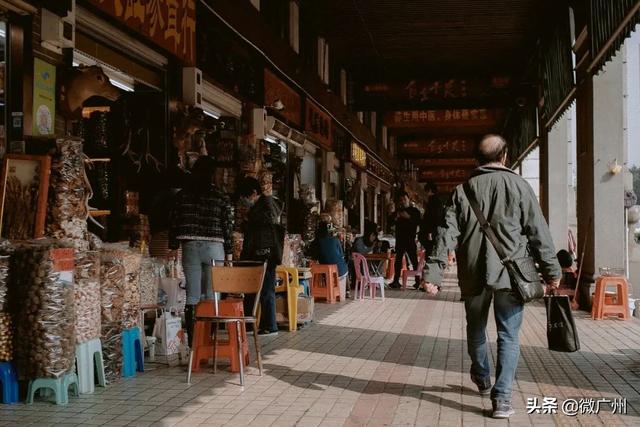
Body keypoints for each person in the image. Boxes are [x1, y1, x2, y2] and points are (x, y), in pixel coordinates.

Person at [422, 134, 561, 419]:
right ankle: (502, 400)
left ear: (477, 159)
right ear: (505, 156)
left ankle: (483, 377)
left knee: (475, 331)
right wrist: (552, 272)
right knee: (508, 337)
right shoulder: (520, 186)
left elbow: (445, 234)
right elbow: (539, 233)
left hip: (473, 275)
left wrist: (433, 274)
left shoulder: (462, 191)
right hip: (512, 277)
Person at [168, 157, 234, 346]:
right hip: (215, 248)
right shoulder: (220, 196)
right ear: (212, 174)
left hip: (190, 246)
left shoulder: (182, 195)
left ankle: (194, 343)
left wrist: (173, 246)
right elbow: (227, 225)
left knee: (193, 296)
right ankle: (209, 338)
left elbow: (174, 221)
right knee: (212, 295)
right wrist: (229, 253)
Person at [236, 176, 284, 336]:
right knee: (251, 290)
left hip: (265, 255)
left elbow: (267, 225)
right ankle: (250, 324)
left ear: (254, 192)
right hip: (255, 254)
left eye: (245, 196)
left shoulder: (267, 205)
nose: (244, 201)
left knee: (266, 290)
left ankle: (270, 326)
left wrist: (249, 220)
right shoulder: (259, 207)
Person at [390, 191, 421, 288]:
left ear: (408, 199)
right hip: (400, 239)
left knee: (414, 261)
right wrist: (396, 217)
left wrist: (408, 217)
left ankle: (418, 281)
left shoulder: (415, 211)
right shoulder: (398, 211)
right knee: (398, 261)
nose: (403, 201)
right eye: (401, 200)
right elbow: (390, 222)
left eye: (405, 199)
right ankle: (396, 281)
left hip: (410, 239)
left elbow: (419, 222)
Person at [308, 221, 349, 297]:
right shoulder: (335, 240)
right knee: (344, 266)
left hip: (327, 272)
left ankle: (327, 289)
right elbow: (342, 256)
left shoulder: (316, 242)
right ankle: (347, 291)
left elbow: (313, 258)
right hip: (341, 270)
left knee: (323, 268)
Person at [418, 181, 444, 258]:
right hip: (434, 232)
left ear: (429, 190)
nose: (425, 194)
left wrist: (430, 232)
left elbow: (433, 218)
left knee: (430, 253)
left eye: (425, 191)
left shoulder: (433, 201)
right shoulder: (436, 201)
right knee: (432, 253)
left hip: (430, 233)